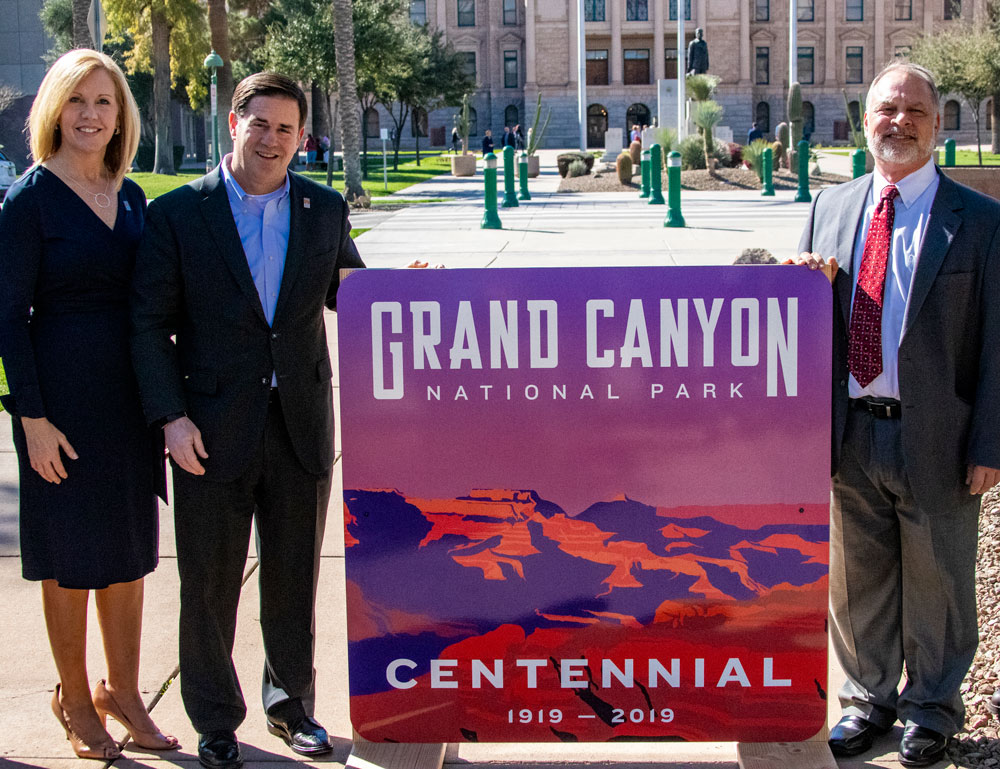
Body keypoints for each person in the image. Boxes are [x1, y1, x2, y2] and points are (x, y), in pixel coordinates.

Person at [130, 72, 365, 769]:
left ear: (302, 137)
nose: (271, 139)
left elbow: (349, 292)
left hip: (300, 426)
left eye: (286, 129)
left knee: (292, 581)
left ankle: (292, 709)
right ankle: (214, 720)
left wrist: (404, 293)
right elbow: (147, 325)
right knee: (207, 585)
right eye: (259, 123)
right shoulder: (177, 216)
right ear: (233, 122)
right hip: (207, 429)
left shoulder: (322, 209)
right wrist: (170, 418)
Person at [794, 61, 1000, 767]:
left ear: (938, 125)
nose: (899, 121)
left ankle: (932, 707)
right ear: (865, 118)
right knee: (858, 580)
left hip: (938, 434)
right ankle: (867, 699)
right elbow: (795, 318)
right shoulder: (831, 208)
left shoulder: (979, 222)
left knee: (941, 579)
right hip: (850, 430)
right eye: (887, 108)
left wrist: (991, 442)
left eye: (915, 110)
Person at [0, 49, 175, 760]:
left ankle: (123, 691)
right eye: (77, 101)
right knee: (71, 559)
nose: (91, 115)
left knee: (129, 555)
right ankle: (74, 697)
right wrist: (31, 418)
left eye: (104, 102)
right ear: (54, 110)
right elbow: (9, 317)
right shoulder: (29, 200)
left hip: (130, 399)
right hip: (60, 403)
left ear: (120, 115)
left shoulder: (130, 196)